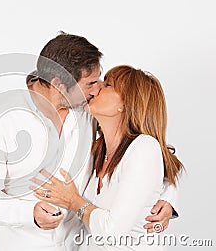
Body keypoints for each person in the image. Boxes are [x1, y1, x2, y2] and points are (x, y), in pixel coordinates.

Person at [0, 33, 178, 251]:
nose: (96, 89)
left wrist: (168, 197)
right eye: (90, 83)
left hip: (78, 244)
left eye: (100, 81)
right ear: (59, 85)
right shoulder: (2, 120)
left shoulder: (87, 111)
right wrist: (30, 214)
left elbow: (143, 147)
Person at [32, 65, 184, 250]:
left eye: (108, 85)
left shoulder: (144, 147)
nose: (96, 88)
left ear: (126, 103)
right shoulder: (97, 149)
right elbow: (35, 79)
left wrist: (73, 201)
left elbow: (111, 232)